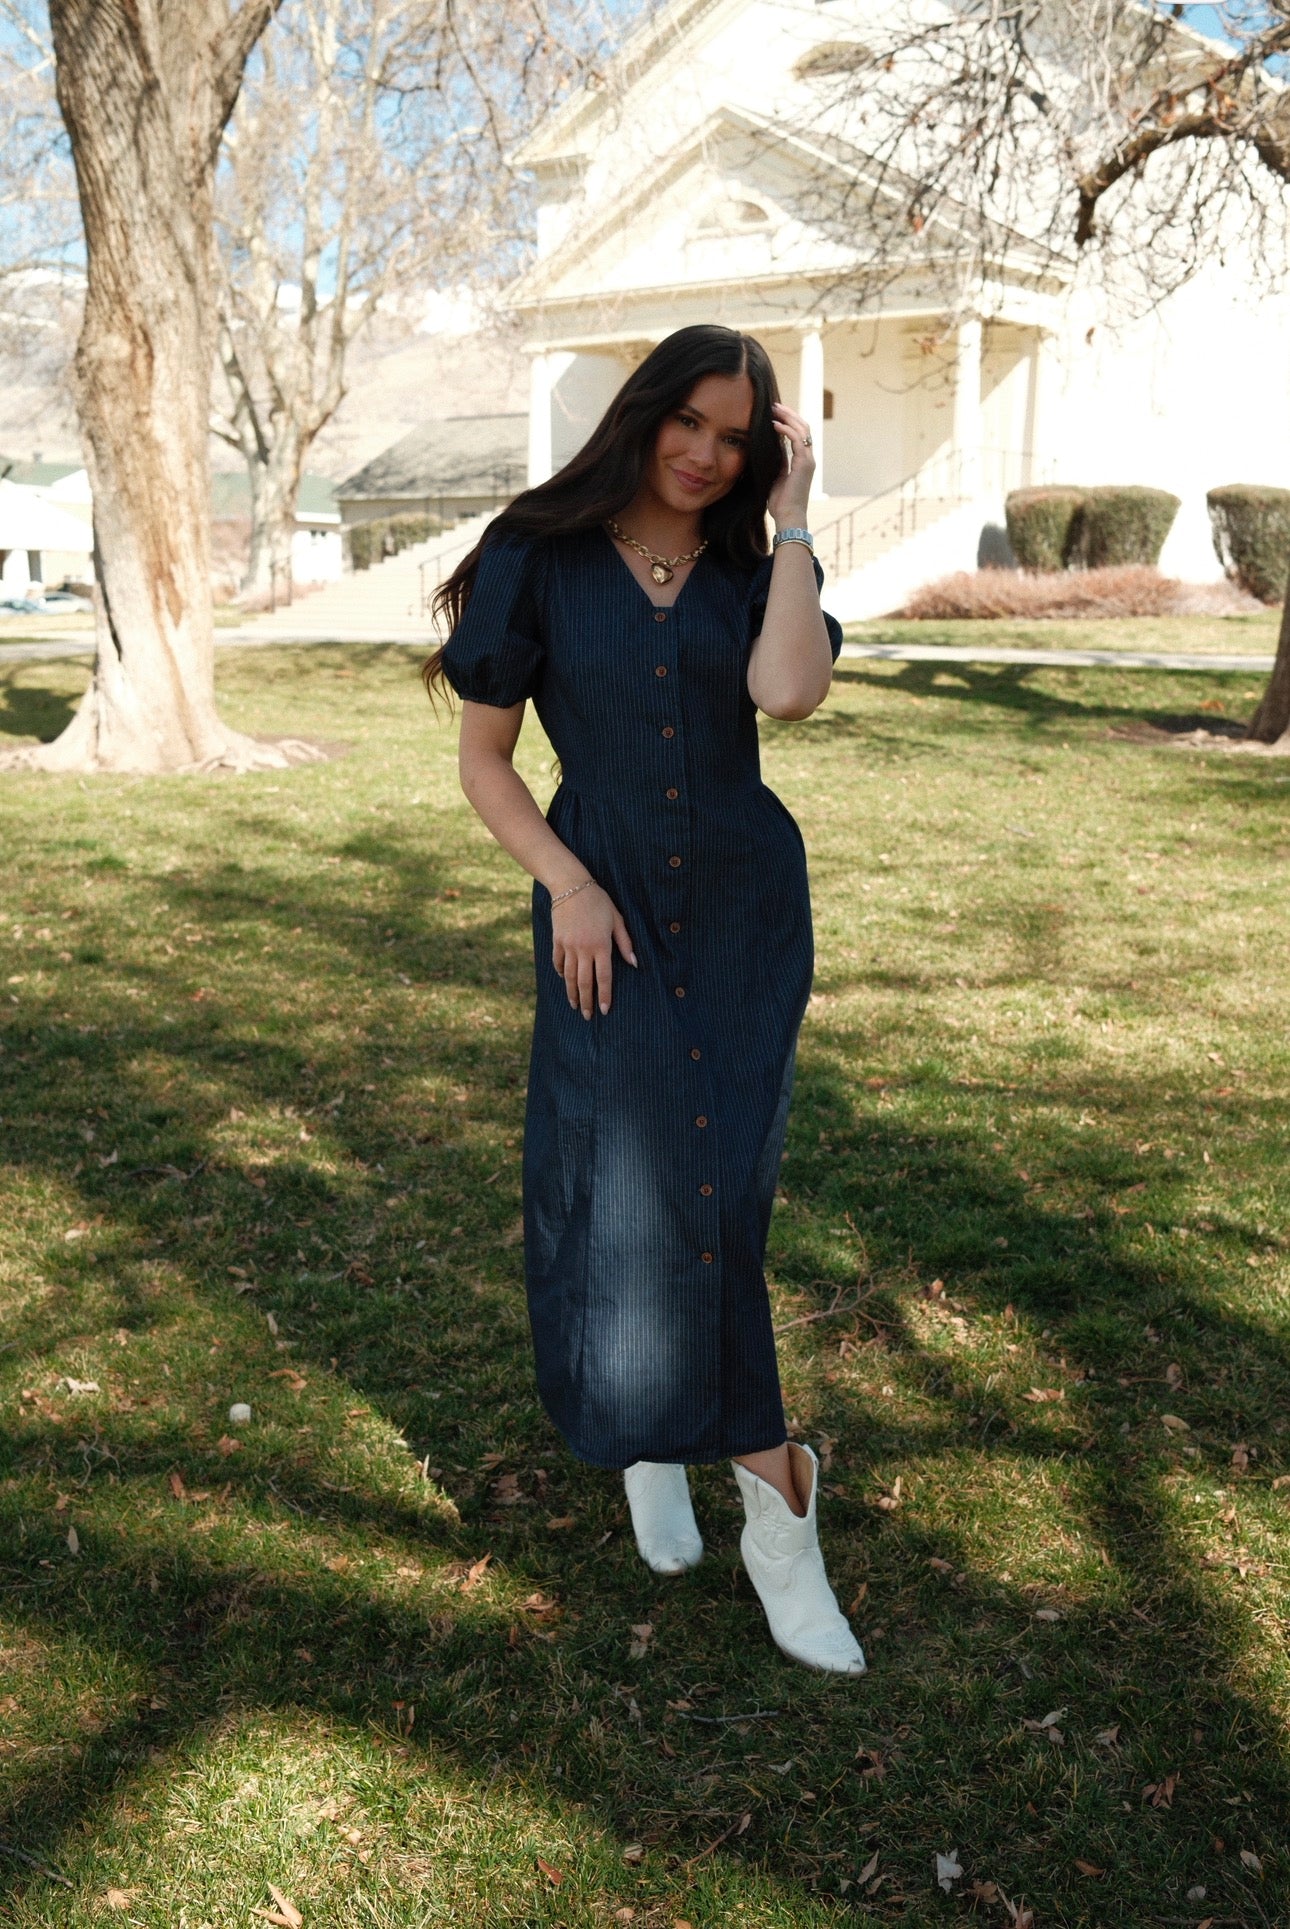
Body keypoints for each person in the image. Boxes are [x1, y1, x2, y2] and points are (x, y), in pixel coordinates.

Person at [423, 324, 864, 1675]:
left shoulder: (757, 564)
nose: (705, 454)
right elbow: (486, 761)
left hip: (742, 919)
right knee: (623, 1195)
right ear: (644, 412)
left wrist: (792, 518)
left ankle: (776, 1520)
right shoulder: (537, 553)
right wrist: (567, 884)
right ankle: (669, 1450)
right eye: (689, 422)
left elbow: (787, 694)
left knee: (719, 1198)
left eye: (735, 437)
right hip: (599, 915)